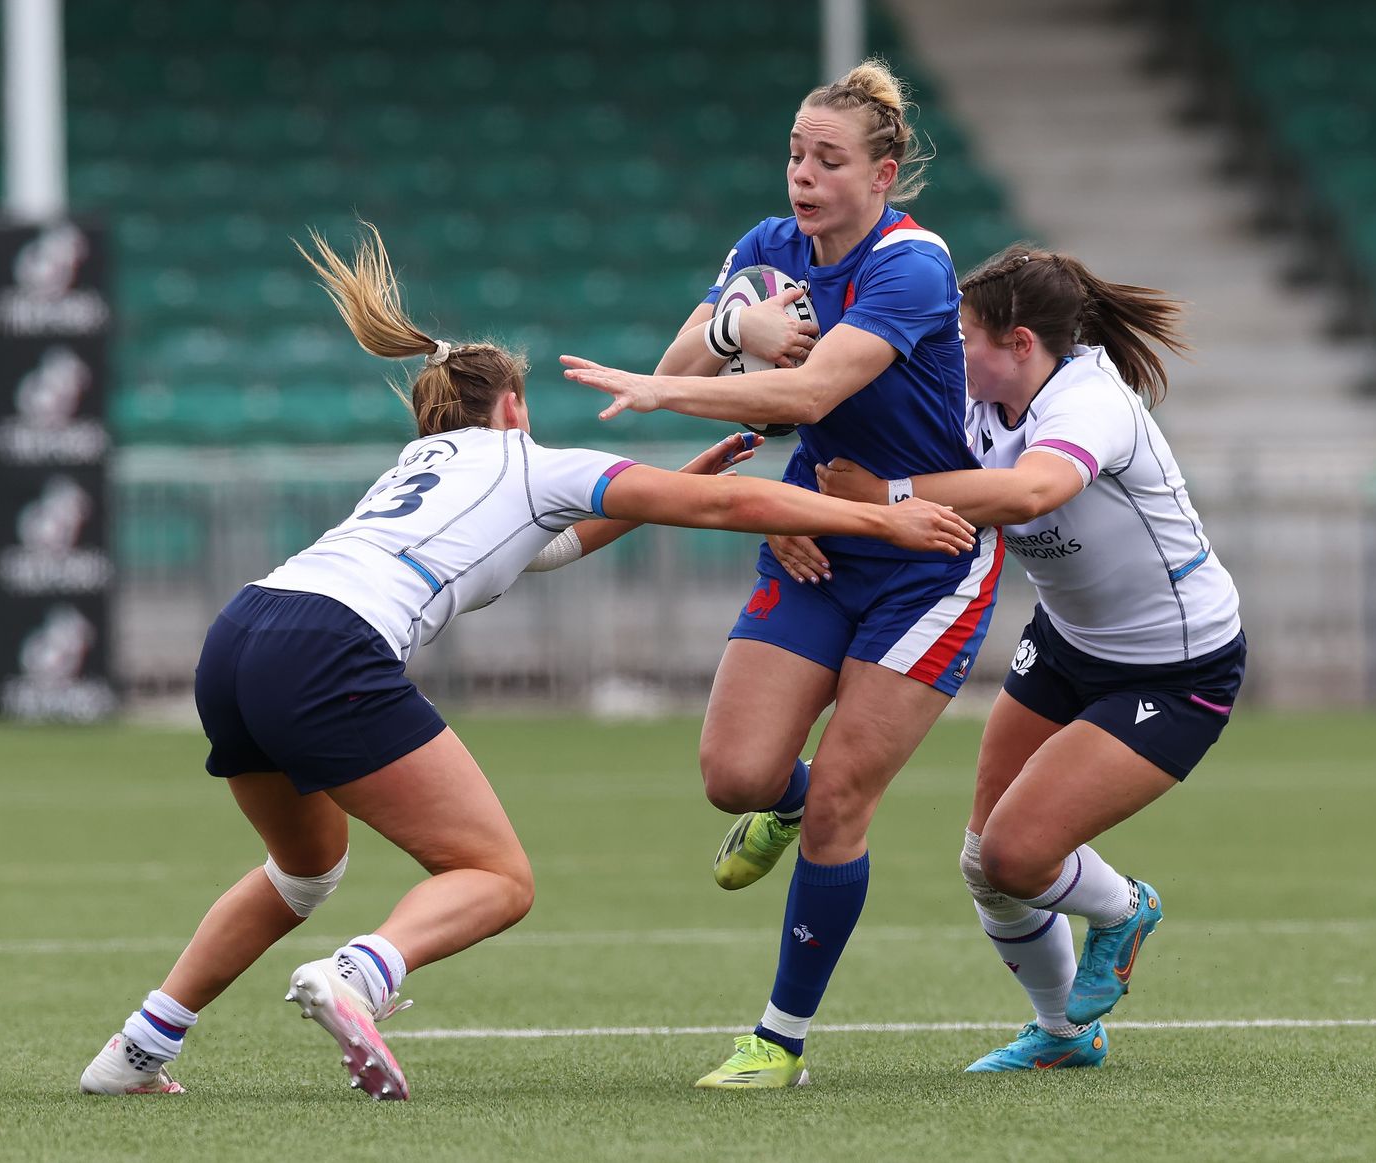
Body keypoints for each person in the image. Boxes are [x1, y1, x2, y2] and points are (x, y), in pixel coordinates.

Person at [76, 223, 974, 1100]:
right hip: (329, 650)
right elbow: (725, 511)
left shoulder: (414, 465)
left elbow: (547, 548)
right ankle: (360, 973)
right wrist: (882, 519)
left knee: (304, 869)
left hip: (242, 633)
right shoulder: (530, 460)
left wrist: (687, 479)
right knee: (496, 878)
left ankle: (138, 1045)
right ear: (511, 407)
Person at [561, 59, 1002, 1089]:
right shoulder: (768, 248)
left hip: (923, 552)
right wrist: (728, 328)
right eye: (796, 154)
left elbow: (804, 393)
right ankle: (786, 801)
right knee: (736, 778)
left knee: (849, 797)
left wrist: (674, 390)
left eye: (828, 159)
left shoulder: (912, 266)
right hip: (816, 531)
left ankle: (778, 1038)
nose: (803, 176)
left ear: (882, 174)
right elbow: (691, 359)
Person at [813, 243, 1245, 1072]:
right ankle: (1064, 1034)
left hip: (1177, 667)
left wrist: (889, 498)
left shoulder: (1089, 400)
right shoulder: (977, 401)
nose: (953, 349)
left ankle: (1124, 908)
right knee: (986, 862)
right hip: (1065, 643)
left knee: (1018, 854)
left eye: (967, 334)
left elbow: (1029, 493)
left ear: (1019, 344)